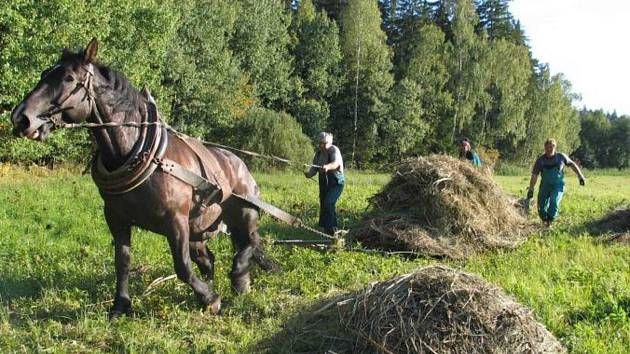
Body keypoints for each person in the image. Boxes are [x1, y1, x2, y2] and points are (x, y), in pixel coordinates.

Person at [527, 138, 586, 227]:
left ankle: (549, 222)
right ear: (544, 148)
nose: (549, 150)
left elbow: (573, 165)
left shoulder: (561, 157)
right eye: (547, 148)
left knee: (554, 201)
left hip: (557, 186)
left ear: (555, 147)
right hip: (544, 186)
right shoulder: (540, 160)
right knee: (540, 207)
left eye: (551, 147)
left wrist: (580, 176)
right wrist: (531, 189)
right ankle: (544, 221)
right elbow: (534, 175)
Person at [304, 132, 345, 235]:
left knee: (329, 202)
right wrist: (309, 174)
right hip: (323, 181)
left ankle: (333, 229)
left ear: (330, 142)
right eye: (320, 143)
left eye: (325, 143)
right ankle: (326, 229)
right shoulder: (318, 153)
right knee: (323, 204)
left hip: (336, 182)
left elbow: (335, 163)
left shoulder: (334, 150)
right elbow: (314, 167)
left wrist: (327, 166)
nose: (322, 145)